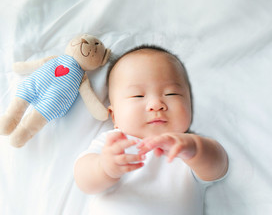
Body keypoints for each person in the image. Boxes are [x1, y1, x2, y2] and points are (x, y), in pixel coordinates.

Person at [74, 45, 229, 215]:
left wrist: (196, 150)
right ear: (114, 116)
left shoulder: (187, 147)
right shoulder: (113, 143)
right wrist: (104, 168)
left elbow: (218, 167)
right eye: (138, 96)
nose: (156, 104)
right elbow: (83, 180)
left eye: (171, 94)